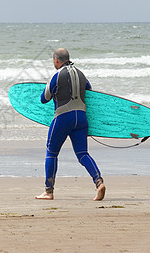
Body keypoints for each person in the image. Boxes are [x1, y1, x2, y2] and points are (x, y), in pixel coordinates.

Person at [35, 48, 106, 201]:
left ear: (56, 60)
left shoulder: (56, 75)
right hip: (81, 118)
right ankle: (99, 182)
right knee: (82, 154)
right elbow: (90, 92)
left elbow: (44, 98)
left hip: (63, 118)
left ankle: (48, 191)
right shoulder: (81, 74)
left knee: (51, 152)